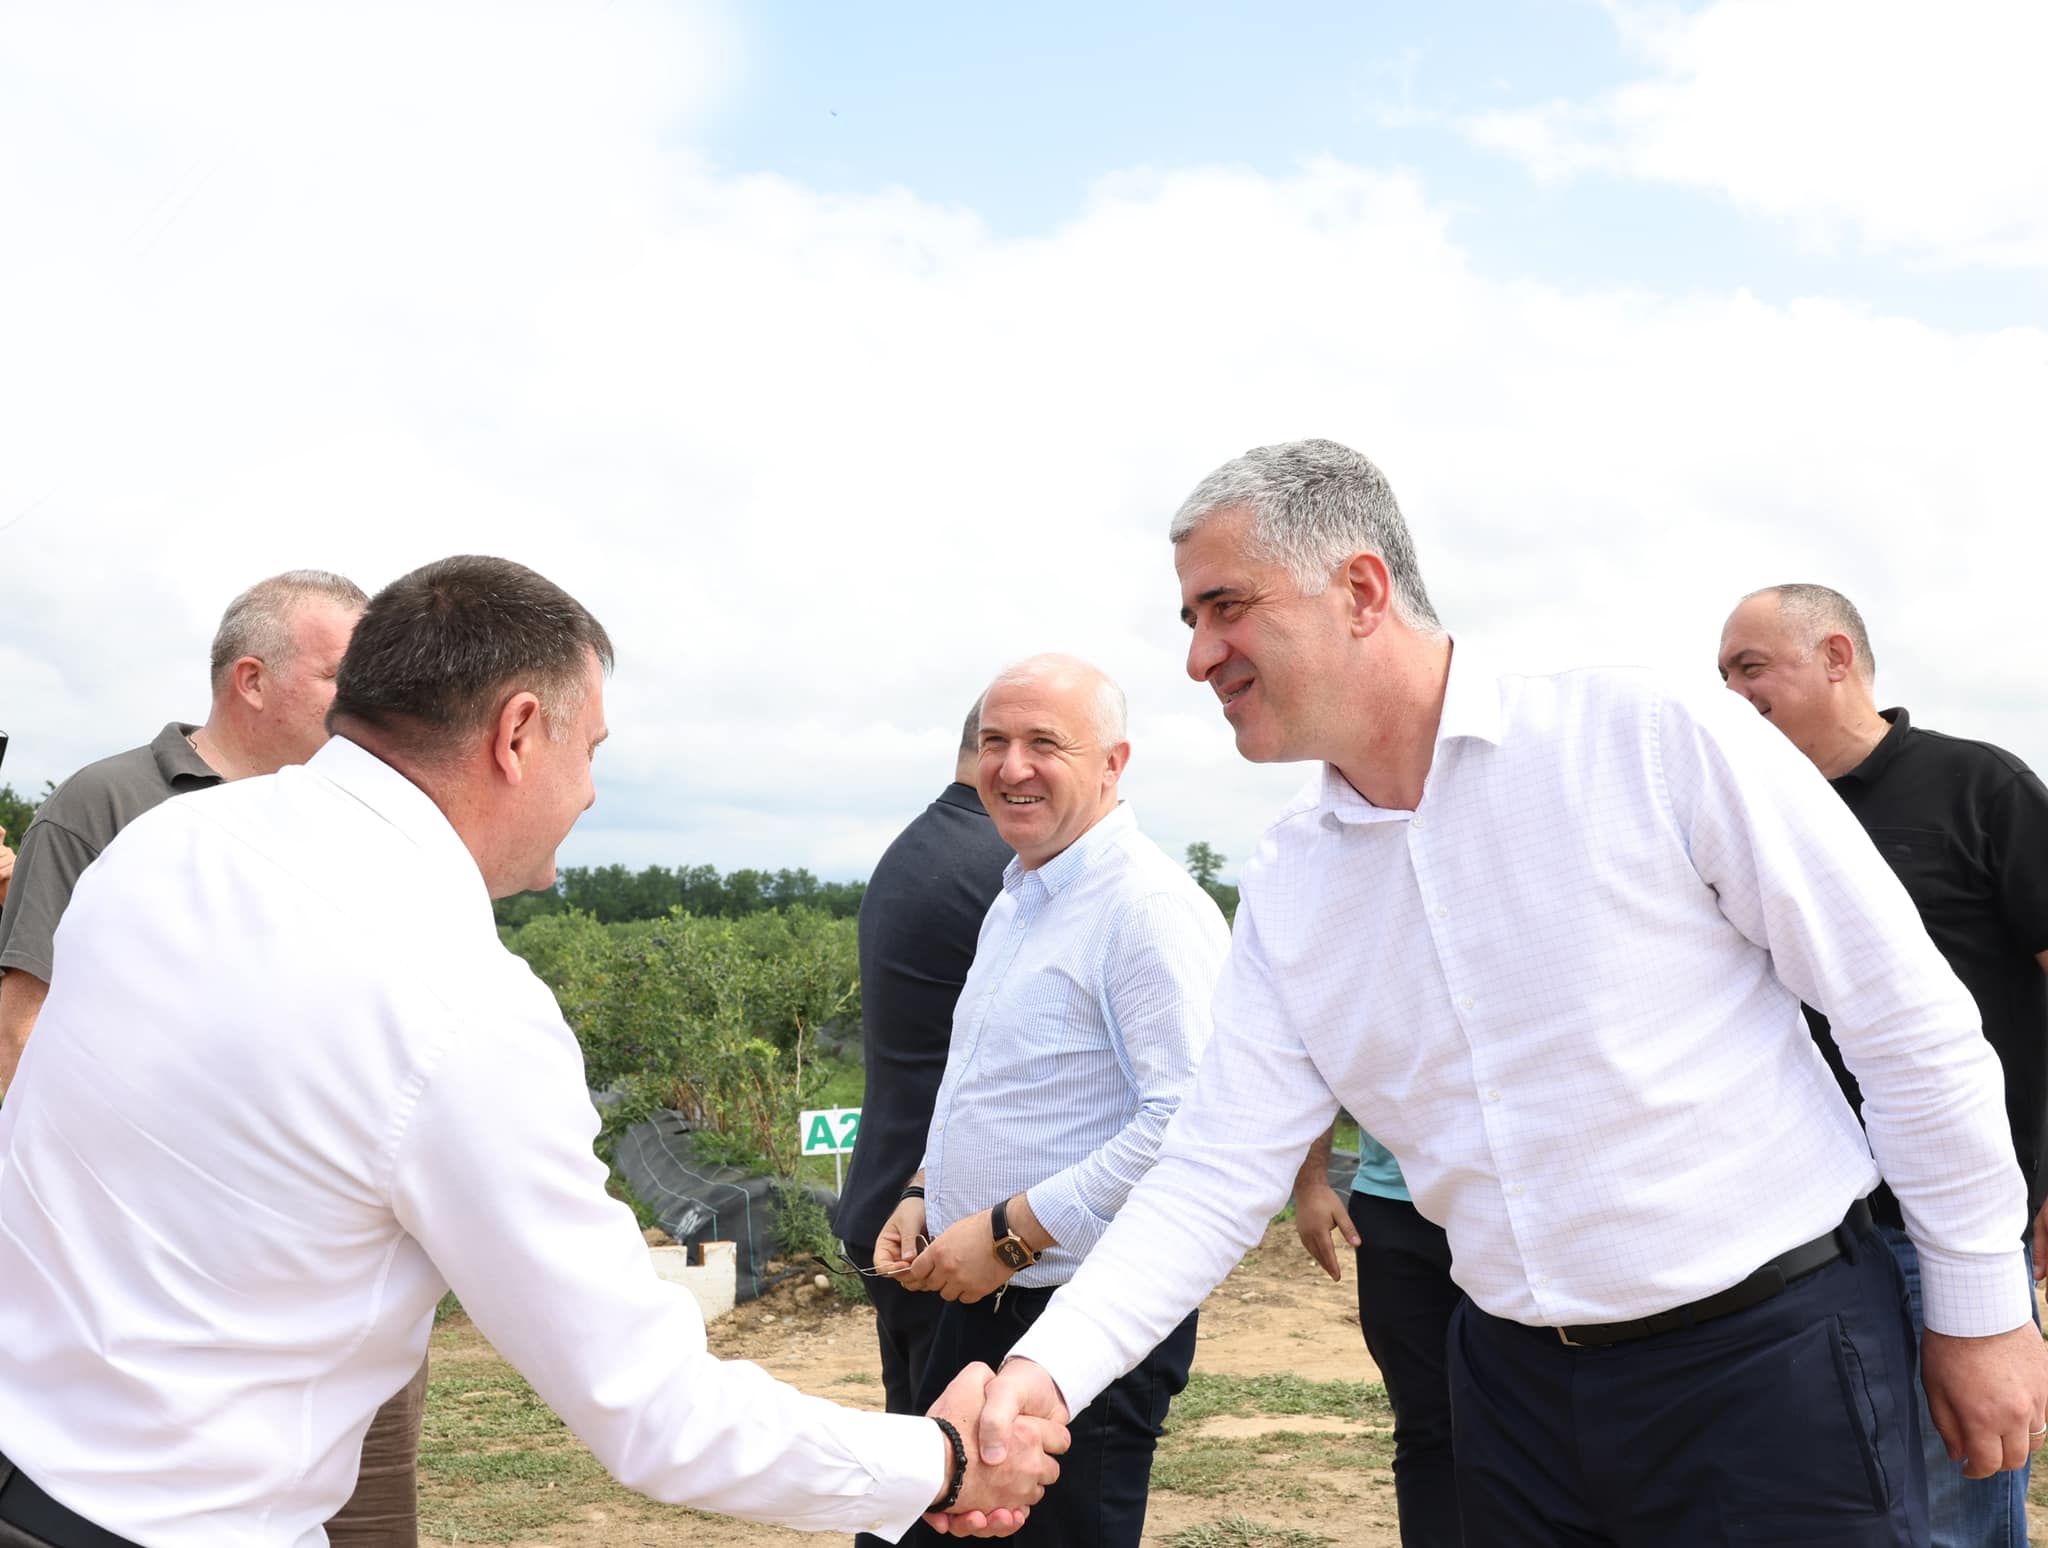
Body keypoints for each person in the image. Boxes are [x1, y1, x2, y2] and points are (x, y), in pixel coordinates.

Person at [975, 438, 2048, 1547]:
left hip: (1769, 1370)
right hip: (1511, 1396)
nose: (1199, 656)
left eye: (1225, 608)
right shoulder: (1292, 878)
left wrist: (1979, 1309)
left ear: (1360, 590)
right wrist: (1045, 1373)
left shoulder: (1649, 736)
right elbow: (1214, 1166)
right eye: (1190, 620)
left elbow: (1901, 1018)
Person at [0, 556, 1064, 1548]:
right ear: (517, 733)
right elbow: (652, 1409)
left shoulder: (162, 844)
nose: (591, 791)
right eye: (589, 748)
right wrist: (941, 1460)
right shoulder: (454, 1002)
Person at [875, 654, 1230, 1547]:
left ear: (1113, 763)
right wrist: (923, 1190)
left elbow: (1187, 1123)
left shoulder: (1147, 907)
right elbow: (982, 1079)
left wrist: (1009, 1232)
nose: (1011, 766)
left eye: (1044, 743)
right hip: (977, 1294)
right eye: (995, 741)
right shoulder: (1021, 895)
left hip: (1076, 1318)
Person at [1721, 582, 2048, 1548]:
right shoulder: (1746, 814)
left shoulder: (1978, 788)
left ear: (1836, 657)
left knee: (1951, 1518)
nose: (1732, 694)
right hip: (1780, 1248)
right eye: (1721, 676)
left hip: (1940, 1238)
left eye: (1750, 668)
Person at [0, 569, 367, 1092]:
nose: (363, 702)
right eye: (339, 678)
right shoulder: (103, 802)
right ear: (252, 681)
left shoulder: (345, 826)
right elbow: (20, 1031)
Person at [834, 697, 1014, 1548]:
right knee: (955, 1487)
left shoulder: (924, 846)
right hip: (945, 1219)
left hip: (894, 1195)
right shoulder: (1001, 868)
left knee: (915, 1470)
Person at [1292, 1125, 1461, 1547]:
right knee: (1426, 1423)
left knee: (1526, 1414)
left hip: (1509, 1210)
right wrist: (1311, 1184)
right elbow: (1315, 1083)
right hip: (1393, 1209)